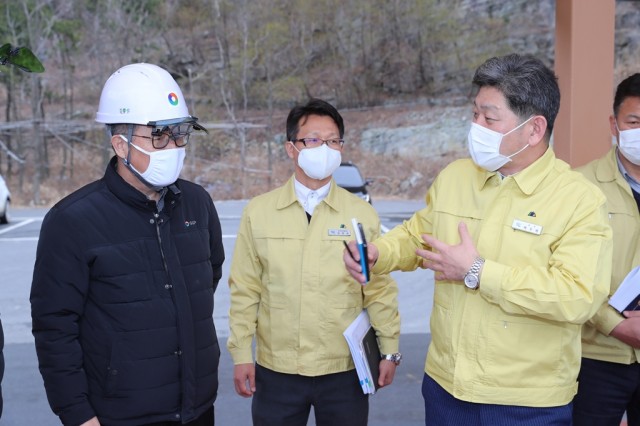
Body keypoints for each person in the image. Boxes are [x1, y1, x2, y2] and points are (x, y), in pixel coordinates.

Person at [344, 53, 613, 426]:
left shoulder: (578, 200)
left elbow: (577, 297)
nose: (476, 127)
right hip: (446, 388)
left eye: (489, 118)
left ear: (534, 129)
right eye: (474, 114)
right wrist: (378, 253)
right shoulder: (456, 177)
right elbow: (416, 234)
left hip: (526, 402)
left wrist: (478, 271)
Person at [30, 63, 224, 426]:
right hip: (119, 415)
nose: (173, 147)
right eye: (159, 136)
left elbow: (206, 277)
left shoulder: (197, 203)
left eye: (180, 134)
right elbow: (55, 327)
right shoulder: (72, 220)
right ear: (121, 144)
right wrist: (77, 414)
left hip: (197, 407)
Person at [227, 98, 401, 426]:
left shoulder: (361, 214)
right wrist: (240, 354)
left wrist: (389, 349)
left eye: (333, 141)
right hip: (277, 370)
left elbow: (378, 288)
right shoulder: (259, 212)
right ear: (291, 148)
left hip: (344, 369)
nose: (325, 149)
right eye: (313, 140)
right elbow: (245, 289)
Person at [572, 73, 640, 426]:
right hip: (595, 356)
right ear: (614, 125)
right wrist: (613, 324)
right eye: (635, 122)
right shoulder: (579, 187)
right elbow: (566, 271)